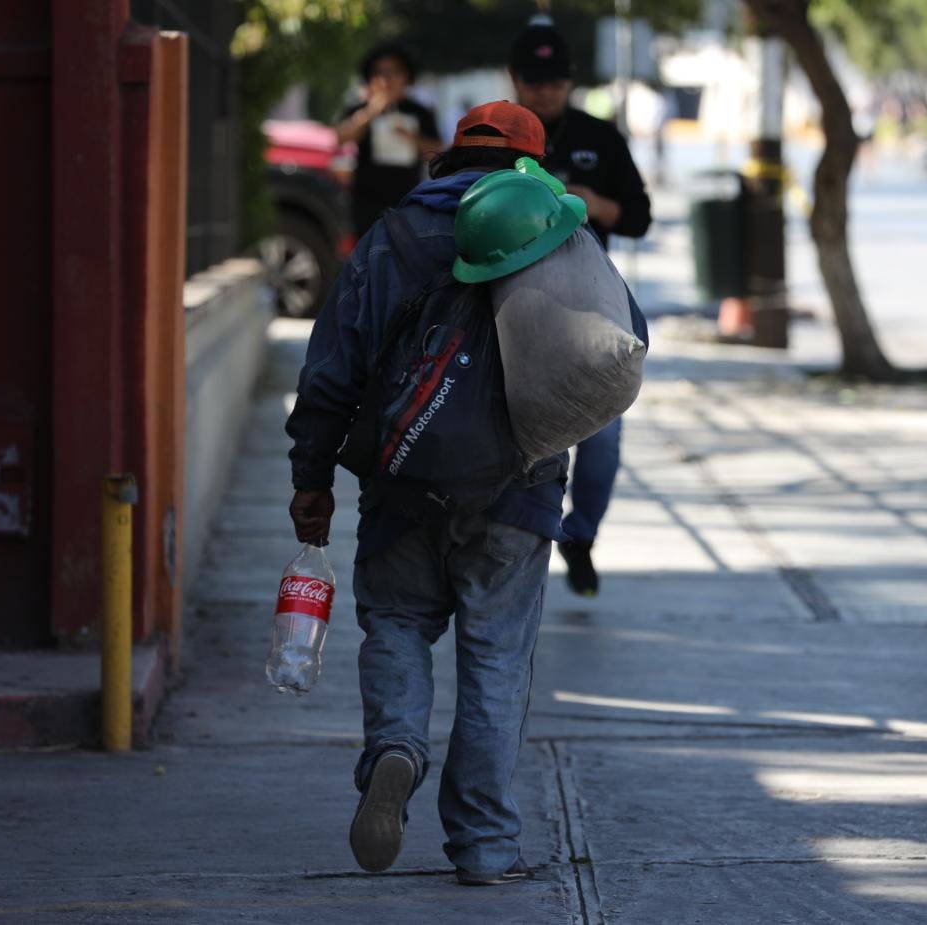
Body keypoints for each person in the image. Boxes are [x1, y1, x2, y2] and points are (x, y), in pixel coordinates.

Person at [285, 102, 606, 886]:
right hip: (515, 488)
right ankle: (487, 845)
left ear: (450, 155)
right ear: (529, 164)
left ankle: (396, 747)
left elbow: (330, 373)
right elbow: (608, 349)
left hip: (403, 481)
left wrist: (312, 479)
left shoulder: (388, 238)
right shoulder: (557, 235)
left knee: (394, 623)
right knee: (496, 658)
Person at [509, 18, 652, 597]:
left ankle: (581, 535)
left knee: (602, 439)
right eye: (535, 82)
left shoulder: (600, 137)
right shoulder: (495, 135)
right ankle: (517, 545)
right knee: (516, 438)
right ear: (515, 80)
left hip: (590, 308)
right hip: (512, 306)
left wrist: (598, 205)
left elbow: (641, 217)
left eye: (557, 82)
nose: (546, 93)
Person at [336, 40, 443, 237]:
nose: (387, 79)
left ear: (406, 76)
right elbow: (340, 138)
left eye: (394, 72)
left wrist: (411, 138)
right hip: (366, 201)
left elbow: (438, 151)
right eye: (380, 73)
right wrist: (371, 111)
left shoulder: (420, 112)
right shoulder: (361, 109)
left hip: (406, 199)